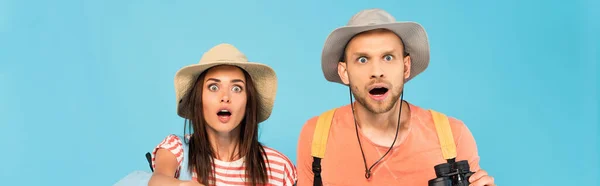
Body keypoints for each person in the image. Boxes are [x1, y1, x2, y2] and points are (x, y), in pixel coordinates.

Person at [296, 9, 495, 186]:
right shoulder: (315, 136)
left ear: (406, 66)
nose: (377, 71)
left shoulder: (453, 136)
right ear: (344, 71)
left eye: (388, 57)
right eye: (362, 59)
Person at [149, 43, 297, 186]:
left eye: (237, 88)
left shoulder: (280, 167)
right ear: (198, 99)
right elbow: (158, 180)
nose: (225, 96)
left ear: (248, 101)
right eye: (213, 87)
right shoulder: (178, 150)